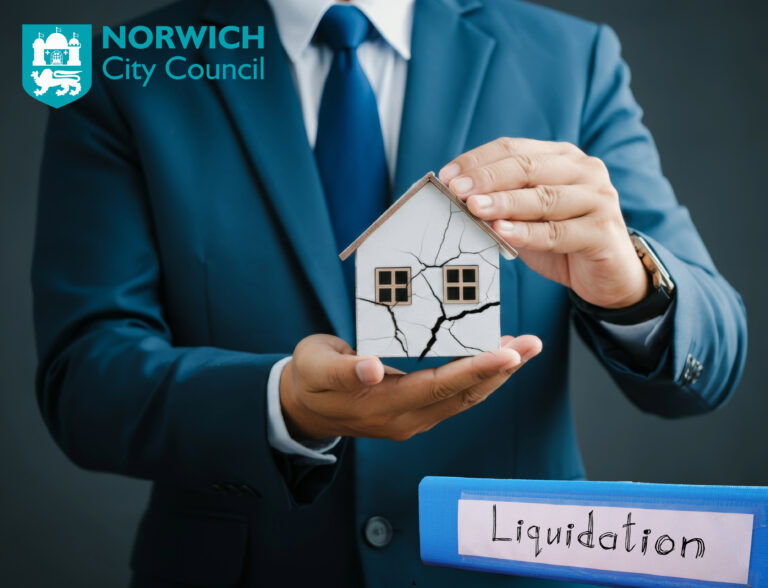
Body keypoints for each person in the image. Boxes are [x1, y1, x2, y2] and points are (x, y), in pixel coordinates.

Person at [32, 0, 747, 586]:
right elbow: (85, 378)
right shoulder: (124, 73)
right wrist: (278, 402)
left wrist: (630, 285)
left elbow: (709, 362)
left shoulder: (570, 59)